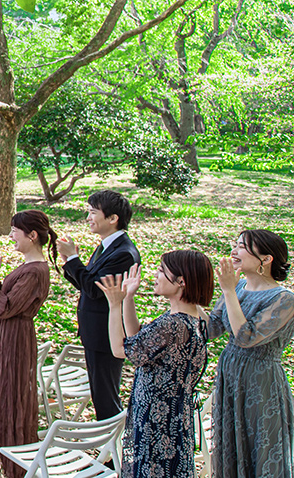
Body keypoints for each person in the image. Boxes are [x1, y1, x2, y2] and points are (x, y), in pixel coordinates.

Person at [97, 251, 213, 478]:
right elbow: (136, 337)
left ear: (181, 282)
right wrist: (129, 298)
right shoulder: (192, 319)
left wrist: (114, 305)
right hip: (174, 417)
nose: (156, 275)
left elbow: (120, 349)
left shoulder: (172, 325)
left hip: (157, 422)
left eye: (162, 270)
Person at [0, 210, 53, 478]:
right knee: (5, 396)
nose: (11, 235)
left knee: (14, 399)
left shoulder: (36, 271)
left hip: (16, 339)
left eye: (16, 230)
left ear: (32, 235)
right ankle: (11, 463)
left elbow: (4, 308)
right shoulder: (28, 267)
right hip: (8, 335)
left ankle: (18, 468)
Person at [206, 229, 294, 478]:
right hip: (230, 374)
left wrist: (229, 292)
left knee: (261, 446)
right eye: (235, 245)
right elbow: (212, 328)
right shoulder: (239, 286)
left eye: (242, 246)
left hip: (261, 379)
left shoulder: (284, 299)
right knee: (230, 445)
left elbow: (246, 337)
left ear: (266, 259)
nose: (234, 251)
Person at [57, 189, 140, 420]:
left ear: (113, 218)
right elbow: (88, 285)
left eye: (93, 212)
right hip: (95, 333)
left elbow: (95, 289)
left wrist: (74, 259)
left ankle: (112, 453)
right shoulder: (106, 245)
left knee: (106, 398)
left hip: (107, 335)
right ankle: (109, 451)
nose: (88, 218)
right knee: (99, 394)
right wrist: (69, 261)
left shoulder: (123, 253)